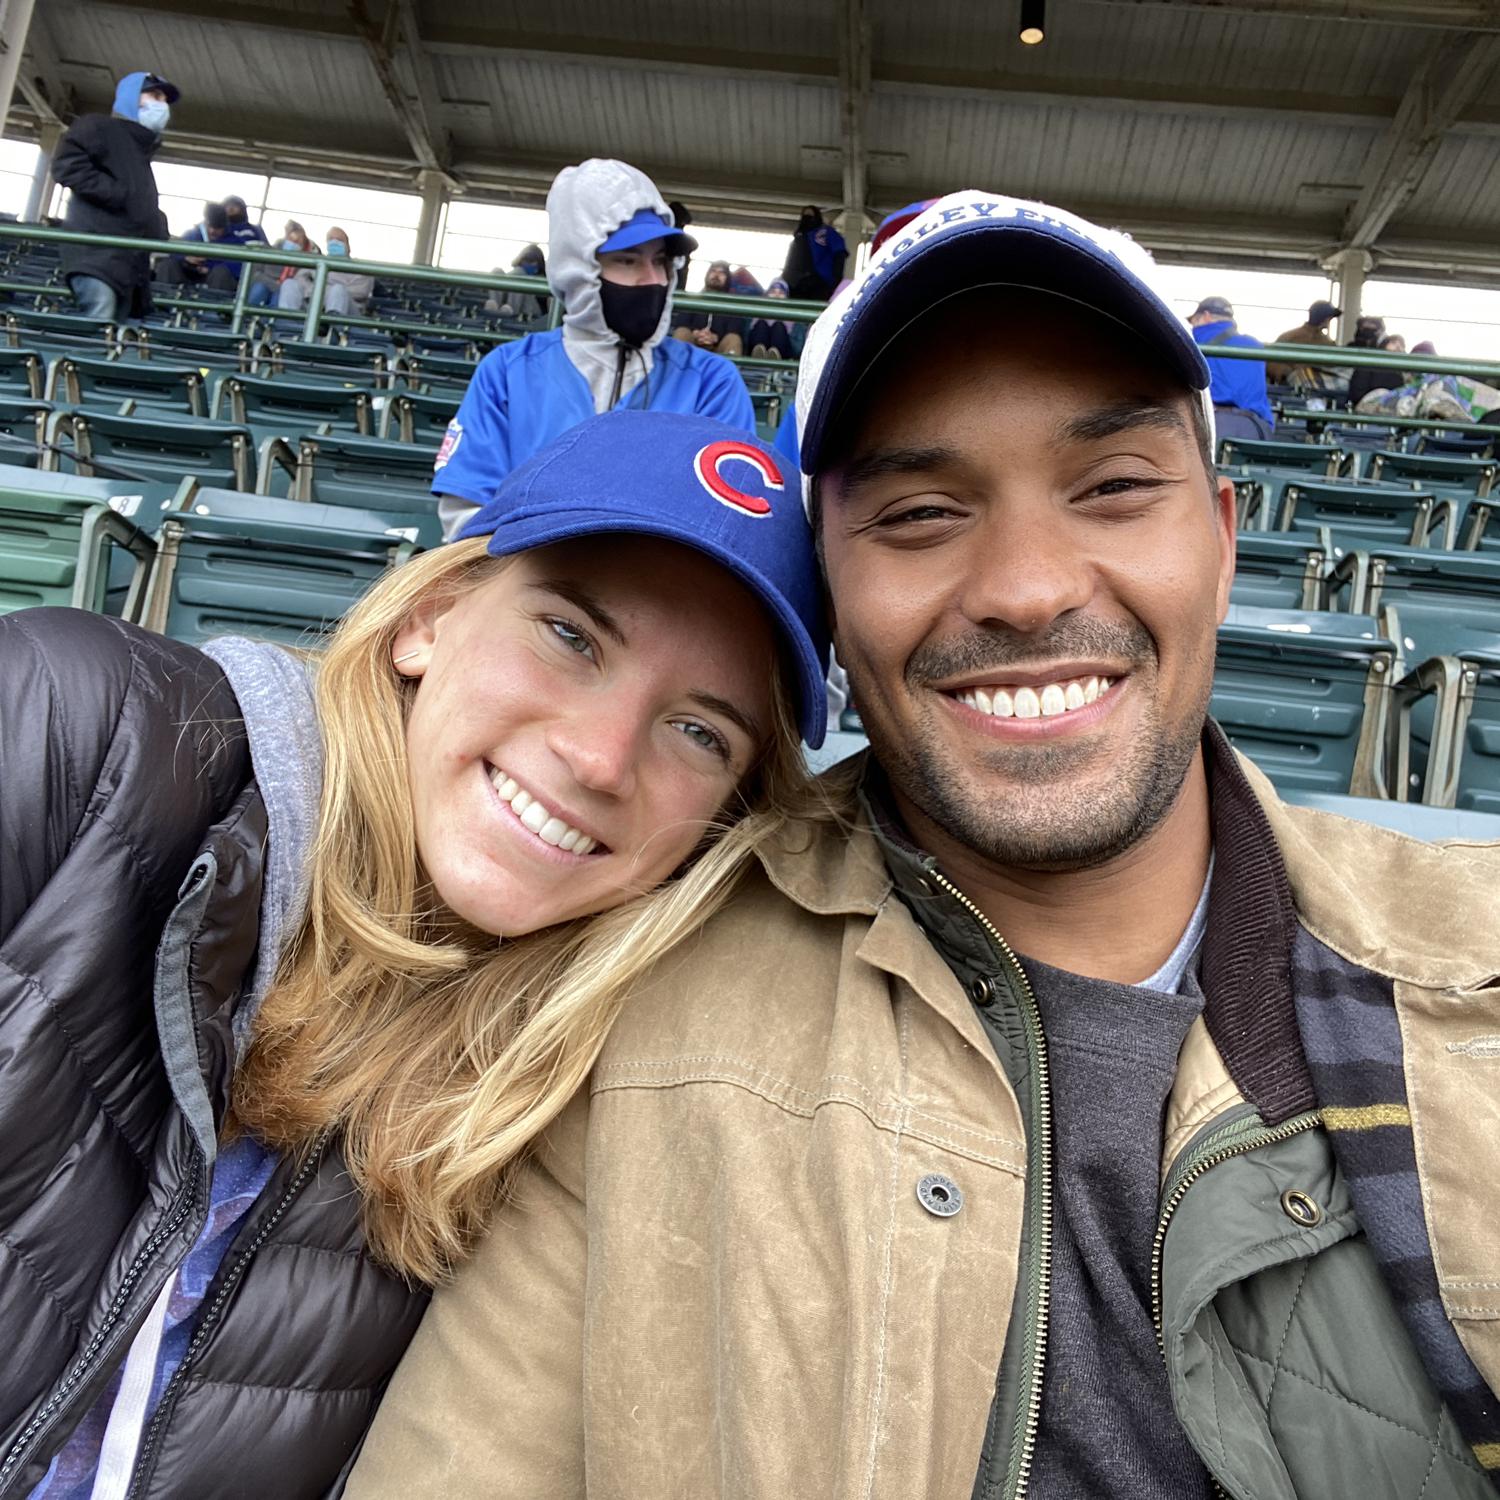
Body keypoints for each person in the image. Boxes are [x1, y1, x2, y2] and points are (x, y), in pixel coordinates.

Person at [347, 193, 1500, 1500]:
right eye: (917, 515)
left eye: (1115, 488)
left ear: (1223, 543)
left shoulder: (1480, 970)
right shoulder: (638, 995)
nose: (1024, 585)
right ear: (831, 601)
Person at [1, 407, 828, 1499]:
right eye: (572, 636)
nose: (598, 757)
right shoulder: (77, 728)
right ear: (429, 620)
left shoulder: (591, 1090)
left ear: (724, 820)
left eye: (697, 732)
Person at [431, 158, 755, 541]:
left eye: (661, 262)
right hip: (522, 595)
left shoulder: (712, 383)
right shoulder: (507, 373)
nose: (652, 279)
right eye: (627, 260)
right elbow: (466, 517)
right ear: (579, 267)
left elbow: (723, 526)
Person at [50, 70, 176, 323]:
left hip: (127, 263)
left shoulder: (140, 151)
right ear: (132, 97)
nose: (161, 104)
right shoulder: (98, 127)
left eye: (163, 99)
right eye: (154, 95)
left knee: (110, 336)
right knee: (99, 327)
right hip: (95, 254)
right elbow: (66, 166)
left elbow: (138, 202)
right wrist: (116, 193)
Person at [1190, 294, 1274, 440]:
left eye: (1194, 321)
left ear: (1206, 316)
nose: (1193, 326)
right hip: (1256, 427)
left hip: (1215, 425)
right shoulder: (1254, 345)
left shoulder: (1195, 338)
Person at [277, 226, 373, 318]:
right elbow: (300, 279)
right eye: (331, 239)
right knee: (289, 284)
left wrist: (322, 290)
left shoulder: (359, 268)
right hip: (312, 305)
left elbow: (359, 292)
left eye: (339, 240)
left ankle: (334, 332)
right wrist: (317, 292)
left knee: (338, 291)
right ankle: (286, 328)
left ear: (348, 246)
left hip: (347, 313)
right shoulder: (318, 262)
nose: (334, 242)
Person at [157, 201, 238, 292]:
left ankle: (213, 304)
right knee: (167, 265)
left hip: (215, 280)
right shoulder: (191, 235)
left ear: (225, 226)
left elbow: (238, 265)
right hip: (188, 275)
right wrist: (185, 258)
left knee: (221, 273)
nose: (212, 231)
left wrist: (209, 267)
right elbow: (174, 253)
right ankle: (165, 302)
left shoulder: (235, 242)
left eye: (217, 228)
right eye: (209, 226)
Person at [671, 259, 747, 357]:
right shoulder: (693, 299)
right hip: (692, 346)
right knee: (681, 332)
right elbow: (681, 322)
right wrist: (696, 333)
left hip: (718, 349)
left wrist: (715, 337)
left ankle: (728, 372)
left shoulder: (732, 303)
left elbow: (735, 329)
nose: (716, 275)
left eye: (721, 273)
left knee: (733, 339)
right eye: (713, 271)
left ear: (727, 278)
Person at [1266, 297, 1341, 385]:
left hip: (1320, 388)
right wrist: (1289, 374)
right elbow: (1271, 363)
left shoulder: (1328, 342)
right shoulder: (1290, 338)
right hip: (1291, 389)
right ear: (1324, 319)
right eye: (1329, 318)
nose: (1330, 320)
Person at [781, 204, 847, 301]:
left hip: (819, 282)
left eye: (810, 215)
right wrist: (786, 277)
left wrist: (835, 279)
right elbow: (790, 260)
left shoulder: (826, 232)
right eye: (805, 215)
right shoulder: (798, 237)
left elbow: (840, 252)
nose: (807, 218)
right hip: (795, 282)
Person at [484, 243, 548, 320]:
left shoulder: (543, 276)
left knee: (519, 275)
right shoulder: (517, 272)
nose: (530, 265)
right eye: (527, 261)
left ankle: (510, 311)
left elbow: (545, 297)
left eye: (533, 262)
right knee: (497, 271)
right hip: (505, 302)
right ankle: (494, 306)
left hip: (531, 311)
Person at [1348, 332, 1408, 410]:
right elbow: (1357, 394)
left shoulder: (1403, 373)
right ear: (1384, 345)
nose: (1398, 347)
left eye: (1402, 345)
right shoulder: (1369, 364)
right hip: (1366, 407)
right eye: (1393, 343)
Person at [748, 277, 804, 360]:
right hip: (756, 346)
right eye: (773, 292)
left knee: (778, 326)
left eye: (781, 293)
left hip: (783, 351)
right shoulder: (758, 310)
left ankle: (775, 356)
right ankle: (758, 354)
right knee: (761, 324)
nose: (777, 295)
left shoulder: (792, 314)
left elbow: (797, 346)